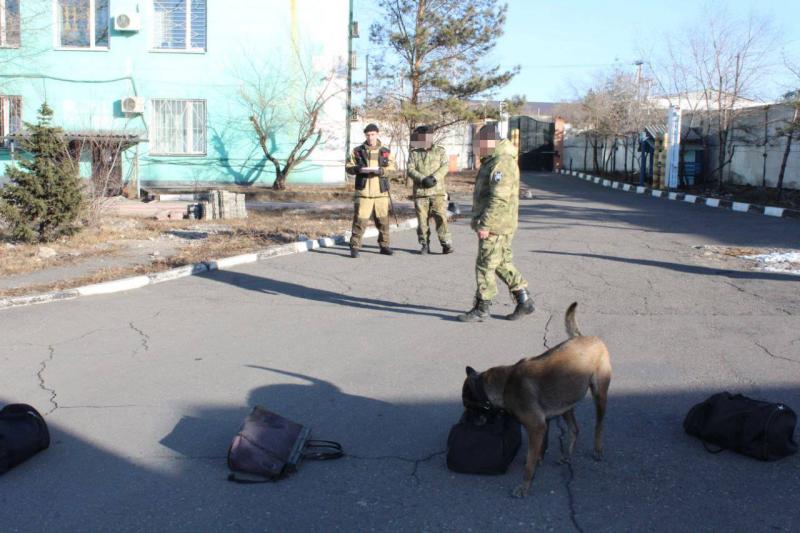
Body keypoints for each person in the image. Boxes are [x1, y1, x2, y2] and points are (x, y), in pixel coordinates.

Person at [458, 123, 534, 322]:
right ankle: (524, 300)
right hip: (501, 222)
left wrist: (486, 224)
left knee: (485, 264)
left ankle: (482, 307)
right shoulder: (494, 159)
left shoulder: (502, 162)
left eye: (480, 143)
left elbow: (498, 198)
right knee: (501, 261)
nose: (477, 147)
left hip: (497, 224)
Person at [345, 123, 395, 258]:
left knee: (383, 221)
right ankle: (355, 246)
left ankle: (384, 245)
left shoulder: (385, 151)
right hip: (364, 192)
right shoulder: (357, 151)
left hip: (381, 192)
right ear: (365, 135)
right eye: (368, 135)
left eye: (373, 134)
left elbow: (392, 167)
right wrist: (357, 169)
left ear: (377, 134)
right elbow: (348, 166)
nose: (370, 137)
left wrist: (382, 170)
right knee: (360, 221)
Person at [407, 125, 453, 255]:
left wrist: (434, 177)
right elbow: (410, 169)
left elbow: (445, 166)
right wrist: (422, 179)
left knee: (441, 219)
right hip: (421, 193)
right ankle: (424, 244)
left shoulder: (439, 151)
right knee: (422, 221)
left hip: (437, 192)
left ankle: (446, 244)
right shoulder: (414, 153)